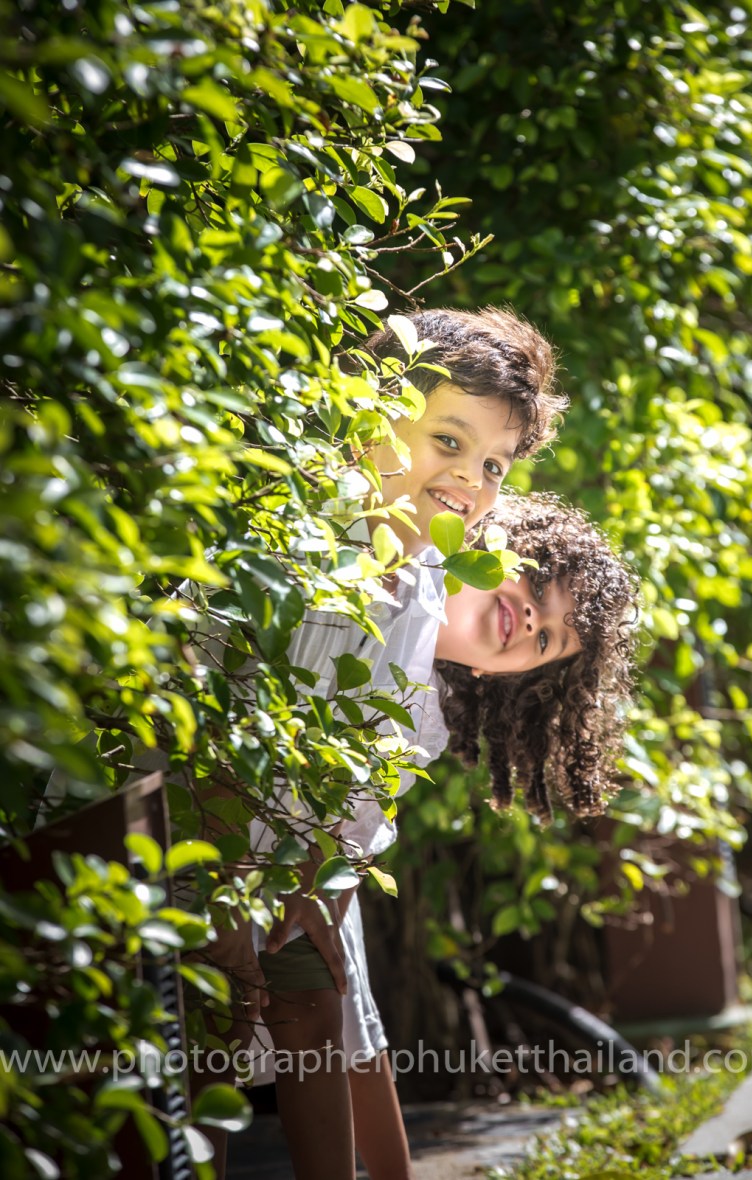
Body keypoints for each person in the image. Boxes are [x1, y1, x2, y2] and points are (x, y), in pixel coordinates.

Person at [199, 307, 565, 1180]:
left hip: (288, 865)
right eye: (449, 440)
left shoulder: (422, 583)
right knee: (211, 1030)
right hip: (196, 835)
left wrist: (310, 878)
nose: (470, 478)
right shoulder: (299, 539)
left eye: (492, 465)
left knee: (316, 1009)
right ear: (369, 411)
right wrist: (232, 894)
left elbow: (356, 768)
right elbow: (209, 713)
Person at [247, 492, 639, 1180]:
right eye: (538, 587)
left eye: (547, 641)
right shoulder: (390, 578)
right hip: (235, 819)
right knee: (284, 1023)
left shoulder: (423, 717)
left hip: (306, 864)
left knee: (337, 1018)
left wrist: (329, 875)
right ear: (487, 542)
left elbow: (352, 824)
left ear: (500, 673)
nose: (533, 620)